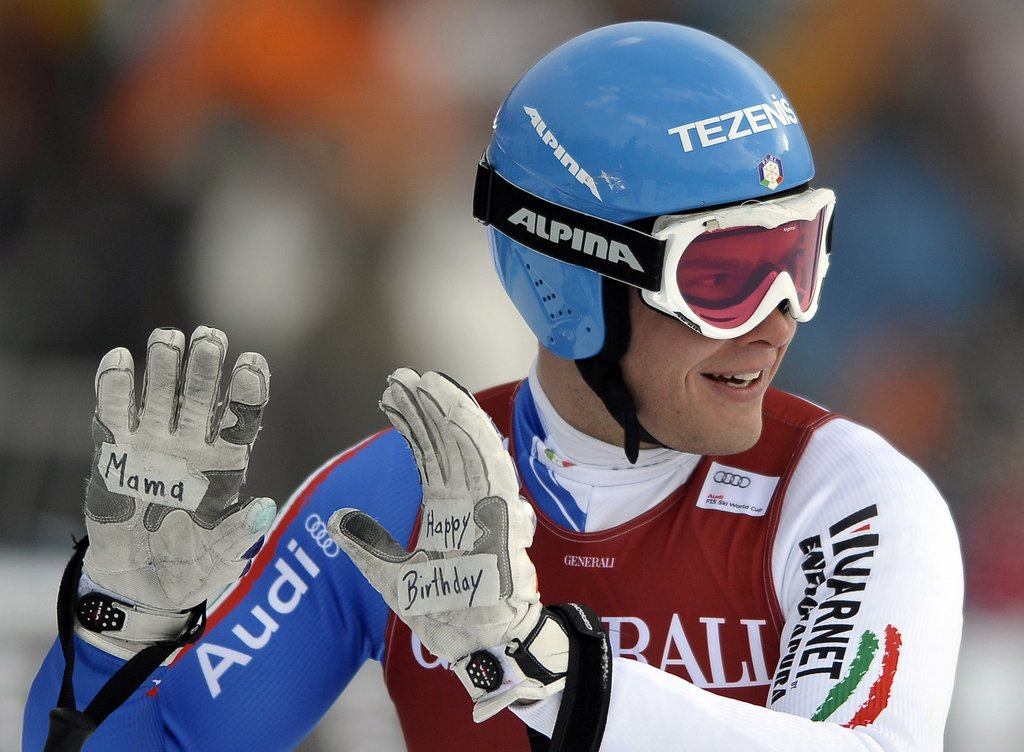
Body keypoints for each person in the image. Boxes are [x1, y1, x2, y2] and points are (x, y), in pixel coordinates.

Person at [23, 21, 963, 752]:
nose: (780, 319)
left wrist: (545, 669)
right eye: (725, 276)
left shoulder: (846, 498)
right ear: (570, 287)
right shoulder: (396, 496)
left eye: (799, 255)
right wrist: (115, 632)